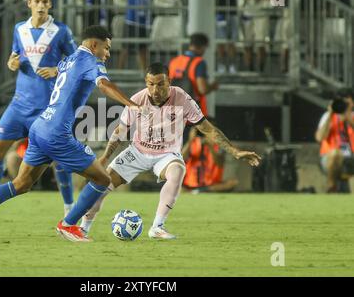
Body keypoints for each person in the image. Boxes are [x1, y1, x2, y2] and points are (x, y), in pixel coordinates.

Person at [0, 25, 145, 242]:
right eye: (106, 48)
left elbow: (59, 71)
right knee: (102, 178)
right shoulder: (91, 61)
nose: (108, 54)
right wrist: (132, 105)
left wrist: (52, 70)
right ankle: (68, 225)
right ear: (94, 44)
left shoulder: (69, 59)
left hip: (40, 127)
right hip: (57, 134)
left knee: (20, 184)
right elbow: (105, 86)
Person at [78, 63, 261, 240]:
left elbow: (208, 129)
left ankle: (157, 227)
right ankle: (83, 230)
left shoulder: (182, 98)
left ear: (169, 82)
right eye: (150, 85)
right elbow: (120, 131)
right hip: (138, 151)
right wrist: (104, 157)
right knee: (102, 184)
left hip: (166, 154)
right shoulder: (137, 100)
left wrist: (235, 152)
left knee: (178, 171)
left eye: (160, 85)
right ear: (146, 83)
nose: (155, 90)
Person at [0, 0, 77, 221]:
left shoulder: (61, 31)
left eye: (45, 1)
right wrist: (11, 63)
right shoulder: (19, 29)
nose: (41, 5)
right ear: (29, 4)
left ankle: (69, 208)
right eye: (37, 1)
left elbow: (77, 61)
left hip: (46, 108)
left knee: (58, 159)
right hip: (19, 105)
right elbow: (14, 57)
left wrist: (56, 69)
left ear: (50, 4)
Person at [169, 33, 219, 117]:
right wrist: (213, 86)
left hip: (174, 113)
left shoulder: (174, 61)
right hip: (194, 115)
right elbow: (203, 89)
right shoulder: (199, 62)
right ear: (203, 46)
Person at [315, 90, 354, 193]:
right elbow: (319, 138)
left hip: (351, 159)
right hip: (329, 159)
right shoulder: (327, 117)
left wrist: (348, 117)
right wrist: (330, 114)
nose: (343, 104)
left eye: (346, 102)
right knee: (336, 153)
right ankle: (331, 186)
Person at [182, 126, 239, 193]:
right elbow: (180, 158)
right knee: (176, 185)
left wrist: (210, 146)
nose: (205, 135)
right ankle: (197, 191)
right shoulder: (192, 144)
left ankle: (198, 191)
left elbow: (220, 163)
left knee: (233, 183)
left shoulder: (218, 146)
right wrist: (190, 141)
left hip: (211, 185)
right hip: (191, 183)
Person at [215, 0, 240, 74]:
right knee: (220, 41)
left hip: (232, 11)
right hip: (219, 12)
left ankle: (232, 65)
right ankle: (221, 65)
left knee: (232, 41)